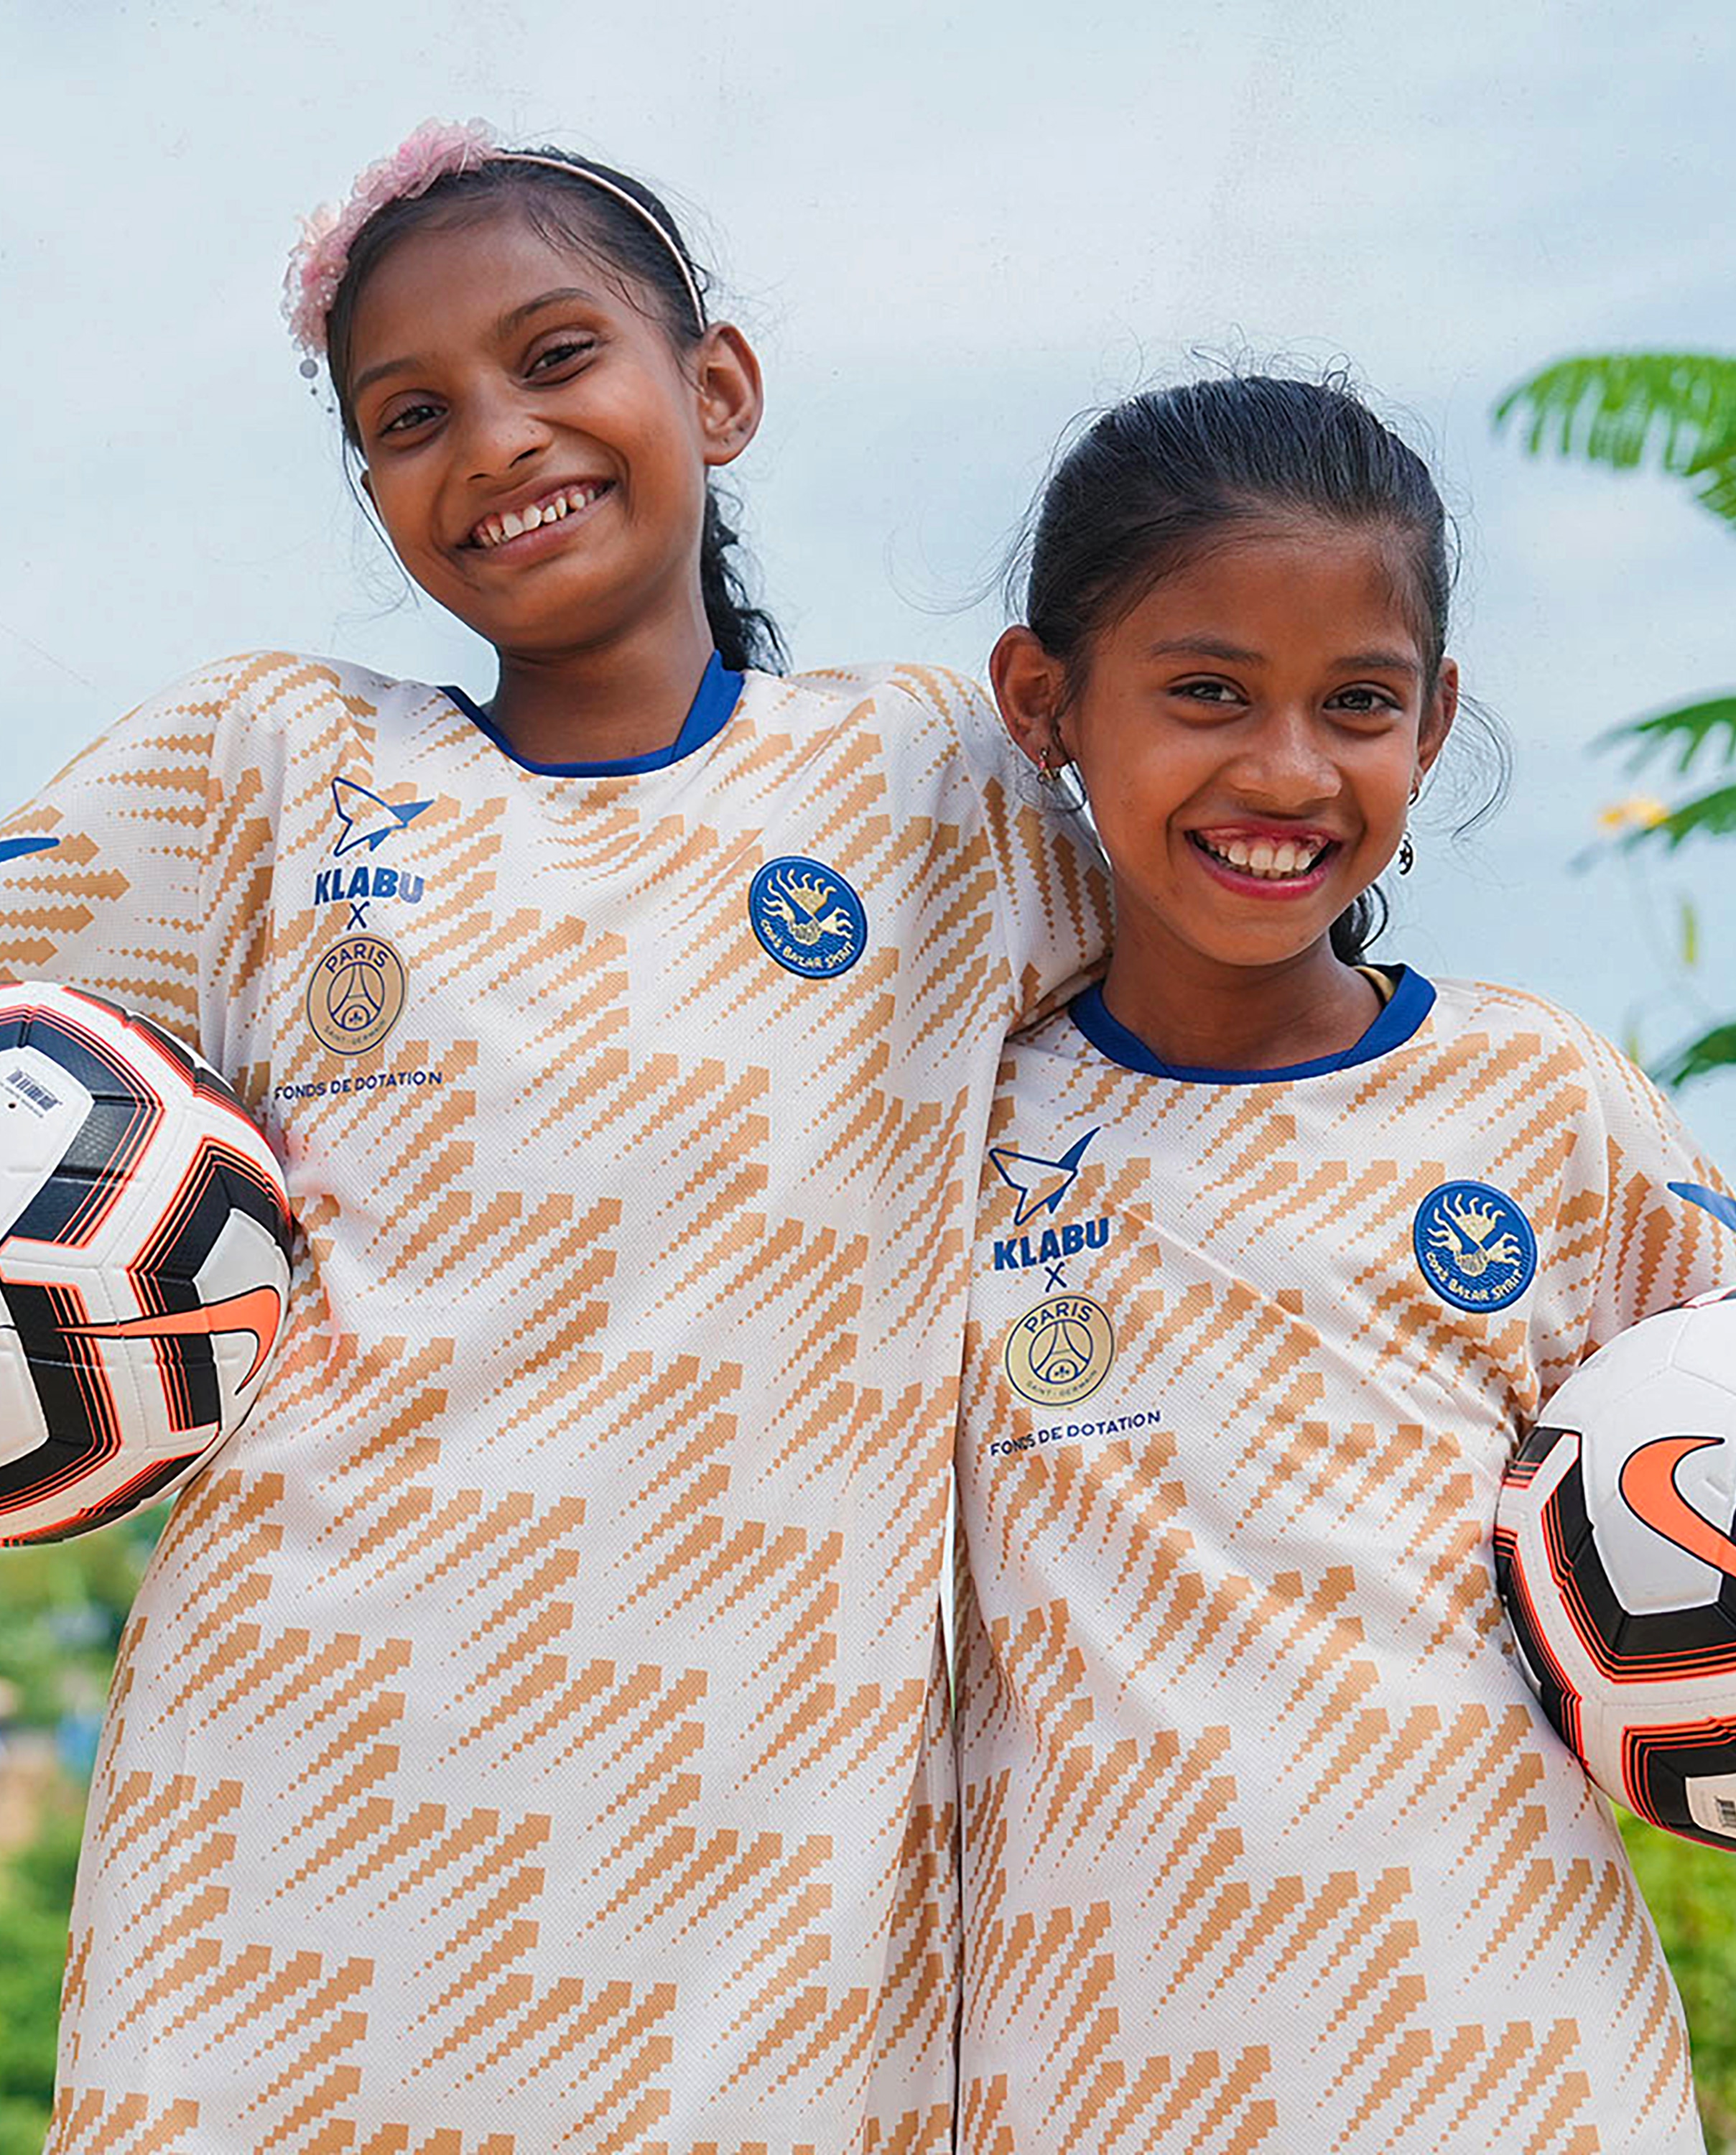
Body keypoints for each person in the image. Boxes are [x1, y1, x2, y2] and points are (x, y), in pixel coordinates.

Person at [0, 121, 1105, 2152]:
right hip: (287, 1818)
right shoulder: (276, 764)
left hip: (757, 1878)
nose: (494, 439)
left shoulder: (929, 784)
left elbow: (1260, 1048)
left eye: (553, 357)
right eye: (409, 414)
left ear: (716, 389)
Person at [954, 374, 1736, 2154]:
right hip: (1077, 2078)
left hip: (1512, 2060)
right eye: (1202, 694)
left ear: (1434, 722)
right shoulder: (947, 1126)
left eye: (1355, 706)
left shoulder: (1528, 1091)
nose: (1283, 770)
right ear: (1044, 700)